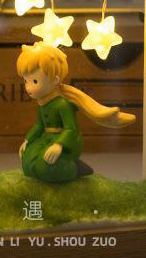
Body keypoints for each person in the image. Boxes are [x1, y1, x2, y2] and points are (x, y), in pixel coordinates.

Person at [16, 42, 135, 183]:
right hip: (46, 139)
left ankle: (75, 168)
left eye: (35, 81)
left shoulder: (62, 104)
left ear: (55, 80)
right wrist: (28, 140)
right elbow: (39, 125)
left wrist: (59, 145)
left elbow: (71, 129)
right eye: (26, 81)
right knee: (27, 161)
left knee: (46, 166)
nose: (28, 88)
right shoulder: (42, 104)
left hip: (67, 141)